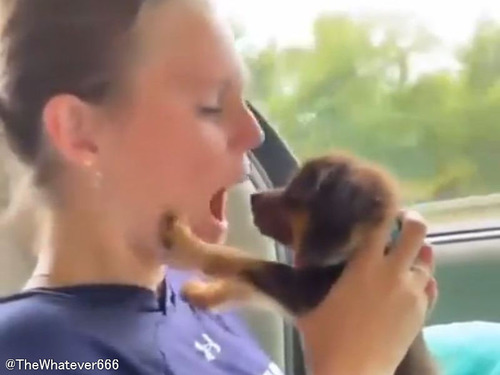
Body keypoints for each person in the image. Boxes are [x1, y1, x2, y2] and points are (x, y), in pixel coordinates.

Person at [0, 1, 436, 375]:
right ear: (80, 132)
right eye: (210, 105)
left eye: (244, 103)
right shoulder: (32, 353)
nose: (252, 133)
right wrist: (355, 364)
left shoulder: (193, 298)